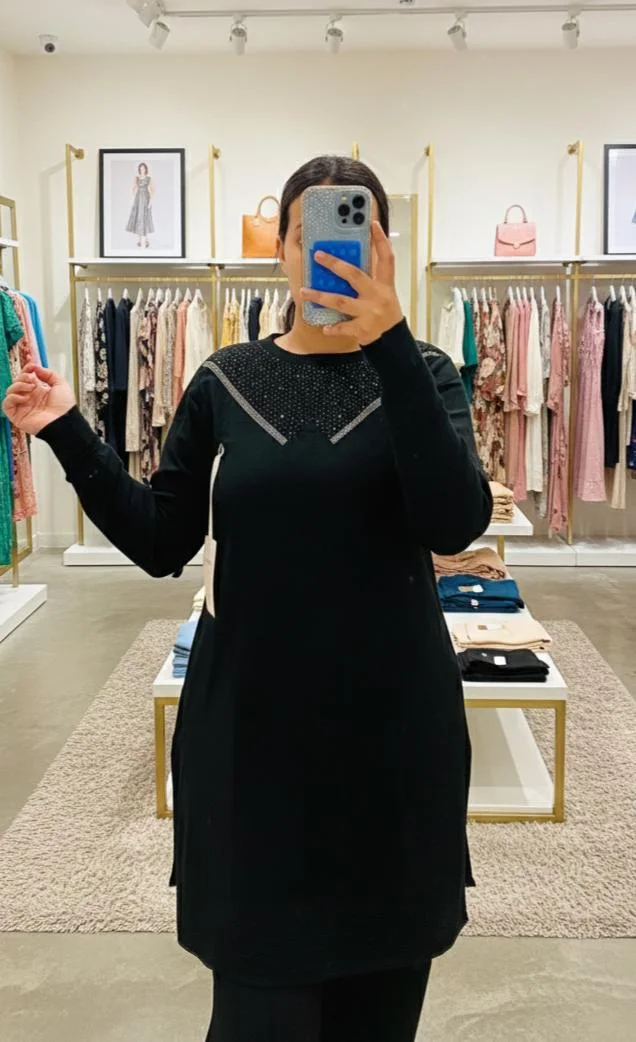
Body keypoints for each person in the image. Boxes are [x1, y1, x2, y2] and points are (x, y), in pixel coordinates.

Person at [4, 155, 492, 1042]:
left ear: (384, 250)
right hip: (251, 748)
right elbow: (162, 540)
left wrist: (388, 341)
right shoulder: (225, 379)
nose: (327, 255)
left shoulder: (425, 372)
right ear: (282, 251)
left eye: (354, 236)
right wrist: (66, 429)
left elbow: (454, 520)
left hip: (393, 749)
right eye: (307, 236)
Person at [126, 161, 154, 248]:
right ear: (139, 169)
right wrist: (132, 197)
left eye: (143, 168)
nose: (142, 170)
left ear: (146, 169)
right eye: (141, 169)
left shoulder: (149, 178)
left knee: (145, 218)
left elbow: (152, 190)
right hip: (138, 199)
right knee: (138, 217)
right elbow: (133, 188)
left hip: (145, 198)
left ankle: (146, 239)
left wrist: (150, 201)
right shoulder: (136, 178)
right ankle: (139, 239)